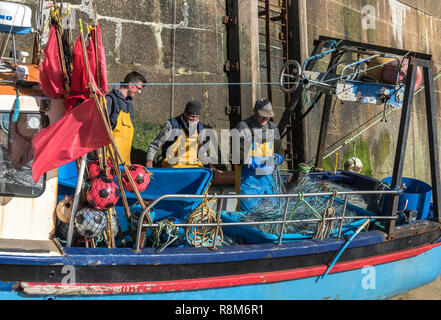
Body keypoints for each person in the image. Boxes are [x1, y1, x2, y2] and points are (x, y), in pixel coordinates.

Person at [146, 100, 221, 178]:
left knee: (204, 178)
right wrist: (149, 163)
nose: (194, 119)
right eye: (192, 116)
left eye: (197, 117)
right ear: (185, 113)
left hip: (193, 166)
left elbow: (202, 153)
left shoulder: (199, 128)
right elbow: (154, 146)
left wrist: (210, 165)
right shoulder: (172, 125)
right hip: (173, 165)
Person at [234, 98, 284, 212]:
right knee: (247, 213)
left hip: (268, 180)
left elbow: (280, 151)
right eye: (263, 115)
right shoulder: (243, 127)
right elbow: (237, 155)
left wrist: (279, 158)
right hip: (248, 180)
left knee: (271, 213)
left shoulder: (273, 128)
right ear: (254, 112)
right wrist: (252, 163)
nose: (266, 118)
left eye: (268, 116)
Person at [105, 71, 147, 164]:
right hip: (110, 160)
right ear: (130, 84)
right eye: (139, 88)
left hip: (125, 160)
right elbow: (99, 129)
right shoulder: (109, 100)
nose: (139, 92)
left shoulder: (129, 103)